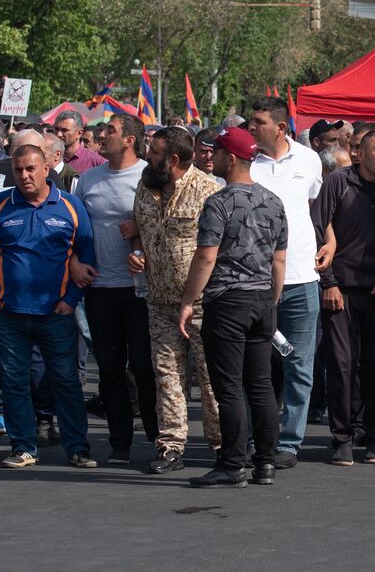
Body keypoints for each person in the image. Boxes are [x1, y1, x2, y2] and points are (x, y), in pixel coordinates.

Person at [0, 144, 97, 469]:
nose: (25, 175)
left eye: (31, 169)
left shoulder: (70, 206)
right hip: (9, 314)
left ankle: (78, 448)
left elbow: (87, 257)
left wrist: (70, 301)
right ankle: (23, 447)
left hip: (55, 313)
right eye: (19, 170)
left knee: (66, 381)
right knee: (14, 382)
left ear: (46, 168)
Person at [180, 127, 287, 488]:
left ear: (231, 157)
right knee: (260, 385)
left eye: (218, 152)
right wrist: (271, 299)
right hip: (261, 300)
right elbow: (279, 261)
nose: (214, 158)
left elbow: (206, 257)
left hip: (227, 302)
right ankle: (266, 463)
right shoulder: (273, 201)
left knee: (228, 387)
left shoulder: (220, 202)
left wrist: (188, 300)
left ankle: (233, 463)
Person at [131, 126, 222, 474]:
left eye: (153, 152)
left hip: (201, 303)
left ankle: (220, 445)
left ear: (172, 159)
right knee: (167, 375)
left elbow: (217, 250)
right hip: (160, 300)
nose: (147, 157)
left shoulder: (207, 191)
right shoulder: (145, 185)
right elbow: (139, 226)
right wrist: (136, 250)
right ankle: (171, 446)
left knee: (210, 377)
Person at [247, 96, 324, 470]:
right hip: (255, 282)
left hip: (301, 280)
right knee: (256, 366)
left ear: (279, 127)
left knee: (299, 365)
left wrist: (332, 242)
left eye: (258, 122)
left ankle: (289, 444)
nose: (252, 127)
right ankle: (256, 438)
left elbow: (316, 210)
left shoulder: (309, 160)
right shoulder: (247, 162)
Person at [74, 114, 155, 465]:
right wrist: (75, 263)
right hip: (101, 287)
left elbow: (170, 225)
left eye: (110, 132)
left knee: (143, 365)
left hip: (140, 290)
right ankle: (119, 441)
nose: (101, 135)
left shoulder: (150, 177)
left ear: (129, 141)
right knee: (108, 369)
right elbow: (75, 229)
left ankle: (158, 438)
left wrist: (142, 227)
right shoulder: (88, 179)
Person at [315, 130, 375, 466]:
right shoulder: (338, 182)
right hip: (341, 291)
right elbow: (318, 228)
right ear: (359, 154)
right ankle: (342, 438)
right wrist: (328, 282)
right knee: (341, 366)